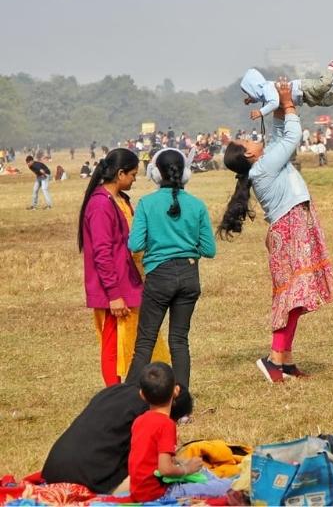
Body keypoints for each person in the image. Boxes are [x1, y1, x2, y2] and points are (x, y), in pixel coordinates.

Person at [219, 79, 333, 383]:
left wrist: (279, 107)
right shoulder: (265, 166)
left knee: (295, 295)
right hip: (292, 225)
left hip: (293, 223)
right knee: (292, 295)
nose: (252, 140)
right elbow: (293, 135)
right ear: (248, 155)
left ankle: (284, 360)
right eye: (247, 143)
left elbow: (282, 133)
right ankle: (274, 357)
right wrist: (287, 102)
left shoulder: (260, 165)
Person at [125, 149, 216, 390]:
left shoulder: (147, 203)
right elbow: (209, 249)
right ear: (186, 174)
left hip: (159, 277)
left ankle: (130, 399)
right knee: (179, 341)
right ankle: (181, 405)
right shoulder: (197, 205)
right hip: (189, 276)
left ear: (155, 174)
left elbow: (135, 245)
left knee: (145, 342)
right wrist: (187, 250)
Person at [79, 148, 170, 386]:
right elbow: (102, 253)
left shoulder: (120, 200)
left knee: (136, 342)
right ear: (120, 174)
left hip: (129, 283)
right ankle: (115, 395)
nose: (134, 179)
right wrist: (114, 295)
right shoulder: (100, 205)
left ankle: (144, 389)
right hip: (114, 291)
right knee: (113, 344)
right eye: (132, 174)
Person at [41, 381, 193, 493]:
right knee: (155, 479)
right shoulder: (151, 417)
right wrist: (185, 468)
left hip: (53, 469)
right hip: (87, 479)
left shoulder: (116, 390)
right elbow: (161, 468)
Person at [128, 363, 231, 502]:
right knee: (230, 486)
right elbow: (165, 469)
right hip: (160, 493)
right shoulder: (166, 424)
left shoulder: (139, 421)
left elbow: (147, 458)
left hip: (137, 490)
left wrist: (178, 461)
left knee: (205, 474)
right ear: (176, 391)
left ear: (142, 395)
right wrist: (186, 469)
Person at [240, 62, 333, 122]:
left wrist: (261, 112)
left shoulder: (266, 88)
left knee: (324, 85)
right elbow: (266, 99)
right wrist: (252, 99)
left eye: (248, 93)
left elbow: (274, 103)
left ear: (253, 88)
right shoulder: (262, 94)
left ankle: (332, 67)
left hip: (302, 87)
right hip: (303, 97)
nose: (248, 95)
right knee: (326, 101)